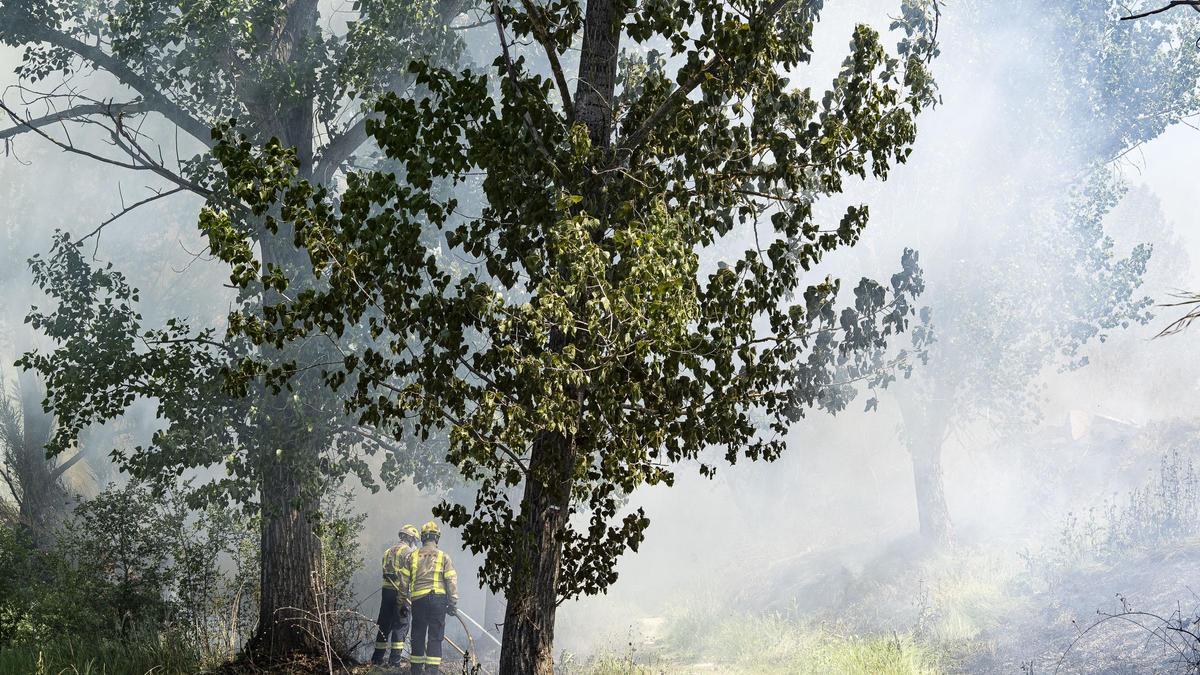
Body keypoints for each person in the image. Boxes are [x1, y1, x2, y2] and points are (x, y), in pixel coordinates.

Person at [398, 520, 458, 674]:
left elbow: (403, 582)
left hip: (419, 601)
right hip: (439, 601)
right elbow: (451, 580)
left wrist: (402, 603)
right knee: (435, 636)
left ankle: (416, 670)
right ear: (436, 538)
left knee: (418, 634)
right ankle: (431, 671)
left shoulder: (412, 556)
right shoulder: (444, 556)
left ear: (423, 537)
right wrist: (452, 603)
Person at [371, 524, 421, 666]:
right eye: (414, 541)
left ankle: (377, 659)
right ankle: (394, 661)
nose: (415, 544)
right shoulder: (409, 553)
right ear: (411, 539)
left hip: (386, 592)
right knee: (401, 625)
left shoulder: (387, 552)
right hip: (401, 593)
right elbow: (412, 574)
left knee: (384, 624)